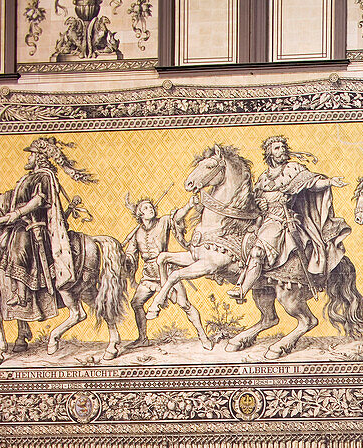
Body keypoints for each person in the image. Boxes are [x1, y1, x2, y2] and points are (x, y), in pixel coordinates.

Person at [228, 136, 349, 303]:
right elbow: (254, 201)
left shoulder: (293, 169)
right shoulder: (263, 178)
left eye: (282, 147)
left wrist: (329, 182)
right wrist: (259, 204)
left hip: (281, 221)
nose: (282, 150)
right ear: (269, 153)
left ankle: (242, 290)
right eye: (276, 148)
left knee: (257, 252)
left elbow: (312, 183)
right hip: (262, 221)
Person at [0, 137, 92, 316]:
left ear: (39, 157)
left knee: (18, 249)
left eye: (31, 155)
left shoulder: (44, 176)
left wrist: (14, 215)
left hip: (34, 226)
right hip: (20, 223)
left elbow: (38, 201)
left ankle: (21, 295)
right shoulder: (28, 178)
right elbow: (14, 197)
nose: (28, 158)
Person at [122, 194, 212, 350]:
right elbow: (131, 254)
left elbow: (177, 217)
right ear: (140, 214)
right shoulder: (137, 233)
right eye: (146, 208)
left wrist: (189, 205)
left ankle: (203, 337)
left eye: (151, 206)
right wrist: (125, 258)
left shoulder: (163, 221)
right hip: (149, 276)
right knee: (136, 303)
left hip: (167, 273)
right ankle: (143, 338)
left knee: (185, 305)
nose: (150, 209)